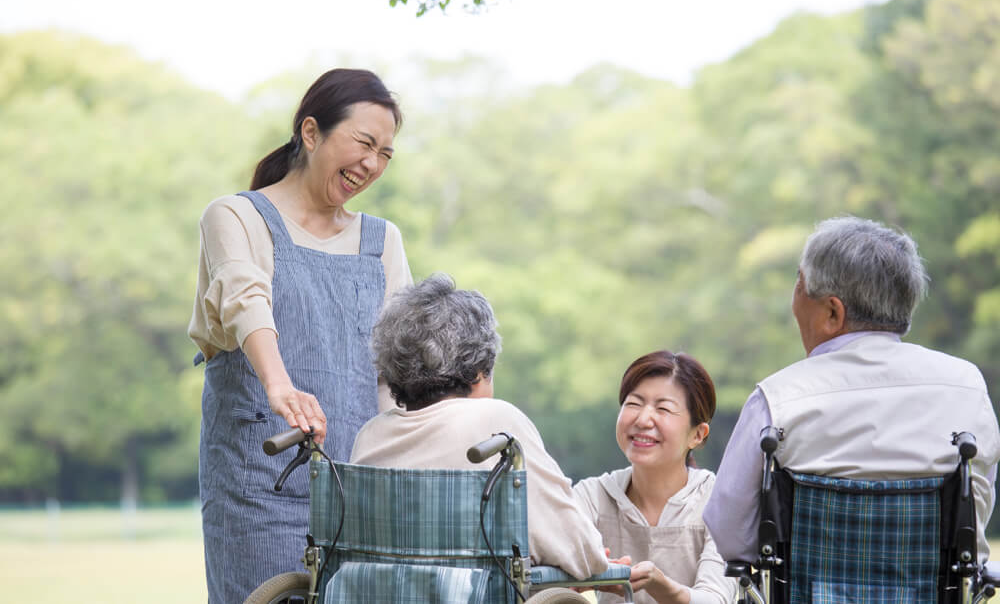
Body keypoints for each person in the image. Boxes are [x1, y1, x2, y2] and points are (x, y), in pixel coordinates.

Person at [188, 68, 413, 603]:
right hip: (255, 487)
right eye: (364, 143)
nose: (371, 164)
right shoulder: (237, 216)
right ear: (310, 133)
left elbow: (396, 369)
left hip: (357, 490)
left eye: (385, 152)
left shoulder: (381, 242)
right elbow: (246, 299)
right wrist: (279, 385)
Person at [703, 216, 1000, 565]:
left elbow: (728, 536)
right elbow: (975, 516)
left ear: (832, 312)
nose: (793, 301)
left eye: (799, 284)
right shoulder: (966, 386)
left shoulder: (778, 400)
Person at [350, 273, 610, 580]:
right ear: (477, 372)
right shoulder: (495, 422)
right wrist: (594, 556)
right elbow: (578, 550)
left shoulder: (370, 436)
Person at [573, 351, 737, 604]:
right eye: (634, 403)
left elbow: (715, 598)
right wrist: (578, 573)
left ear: (698, 434)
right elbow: (543, 567)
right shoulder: (592, 496)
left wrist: (660, 585)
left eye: (663, 409)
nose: (643, 419)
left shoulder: (719, 502)